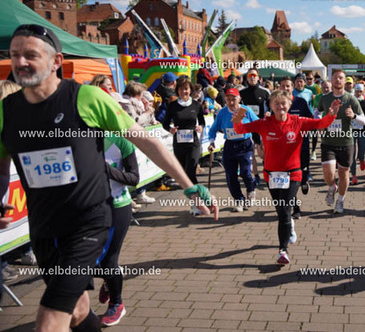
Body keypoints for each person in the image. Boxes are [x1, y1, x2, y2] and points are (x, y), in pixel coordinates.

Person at [0, 23, 214, 332]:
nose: (20, 62)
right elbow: (2, 165)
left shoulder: (85, 98)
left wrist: (190, 187)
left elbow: (148, 142)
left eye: (31, 55)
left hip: (87, 223)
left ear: (56, 61)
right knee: (77, 311)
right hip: (44, 228)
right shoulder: (7, 110)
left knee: (50, 319)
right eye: (14, 54)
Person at [232, 91, 341, 264]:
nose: (280, 106)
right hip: (271, 175)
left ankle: (282, 251)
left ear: (289, 105)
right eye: (276, 103)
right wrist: (237, 119)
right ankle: (289, 223)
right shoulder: (264, 123)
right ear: (271, 106)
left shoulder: (298, 122)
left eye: (283, 103)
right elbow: (240, 129)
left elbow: (321, 123)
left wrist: (332, 114)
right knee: (281, 210)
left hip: (293, 174)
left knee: (283, 210)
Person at [97, 135, 139, 326]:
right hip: (88, 209)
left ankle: (117, 304)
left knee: (108, 260)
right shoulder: (77, 139)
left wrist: (107, 170)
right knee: (82, 260)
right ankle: (110, 278)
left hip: (117, 207)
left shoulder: (120, 141)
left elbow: (134, 178)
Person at [317, 69, 365, 214]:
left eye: (341, 78)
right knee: (328, 172)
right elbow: (317, 112)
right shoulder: (325, 99)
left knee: (344, 174)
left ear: (345, 81)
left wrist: (354, 115)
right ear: (331, 80)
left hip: (346, 142)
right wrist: (319, 122)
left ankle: (340, 200)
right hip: (328, 141)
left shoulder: (351, 99)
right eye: (335, 78)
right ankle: (332, 187)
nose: (338, 80)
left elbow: (363, 121)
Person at [208, 88, 258, 212]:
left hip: (245, 145)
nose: (231, 102)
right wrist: (212, 142)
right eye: (228, 99)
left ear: (239, 99)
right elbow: (213, 129)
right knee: (230, 175)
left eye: (234, 99)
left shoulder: (245, 110)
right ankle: (239, 200)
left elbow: (258, 123)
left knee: (246, 172)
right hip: (230, 145)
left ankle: (251, 189)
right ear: (225, 99)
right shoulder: (222, 113)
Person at [273, 77, 313, 218]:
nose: (285, 88)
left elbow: (310, 119)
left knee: (302, 174)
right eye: (283, 86)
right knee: (289, 178)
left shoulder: (300, 102)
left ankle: (304, 180)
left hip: (302, 145)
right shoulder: (275, 104)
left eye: (288, 86)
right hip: (284, 148)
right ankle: (295, 208)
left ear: (292, 88)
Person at [163, 75, 206, 186]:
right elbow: (165, 124)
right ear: (177, 90)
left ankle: (197, 194)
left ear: (190, 90)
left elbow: (202, 122)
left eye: (186, 88)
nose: (184, 91)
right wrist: (170, 129)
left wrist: (200, 127)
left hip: (193, 144)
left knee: (191, 172)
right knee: (183, 174)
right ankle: (193, 194)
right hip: (179, 144)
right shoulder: (172, 106)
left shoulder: (196, 105)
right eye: (181, 89)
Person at [239, 68, 270, 189]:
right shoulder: (242, 93)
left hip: (261, 126)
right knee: (250, 154)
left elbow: (271, 107)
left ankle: (267, 173)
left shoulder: (265, 92)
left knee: (263, 154)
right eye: (250, 75)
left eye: (254, 75)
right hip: (248, 127)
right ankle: (256, 176)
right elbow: (238, 108)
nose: (252, 77)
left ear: (258, 78)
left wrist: (269, 113)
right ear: (247, 78)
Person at [350, 84, 365, 185]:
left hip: (363, 130)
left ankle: (362, 159)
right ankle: (353, 175)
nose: (358, 93)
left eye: (360, 91)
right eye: (356, 91)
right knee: (352, 154)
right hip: (351, 130)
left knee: (361, 152)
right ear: (354, 91)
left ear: (363, 91)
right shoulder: (350, 101)